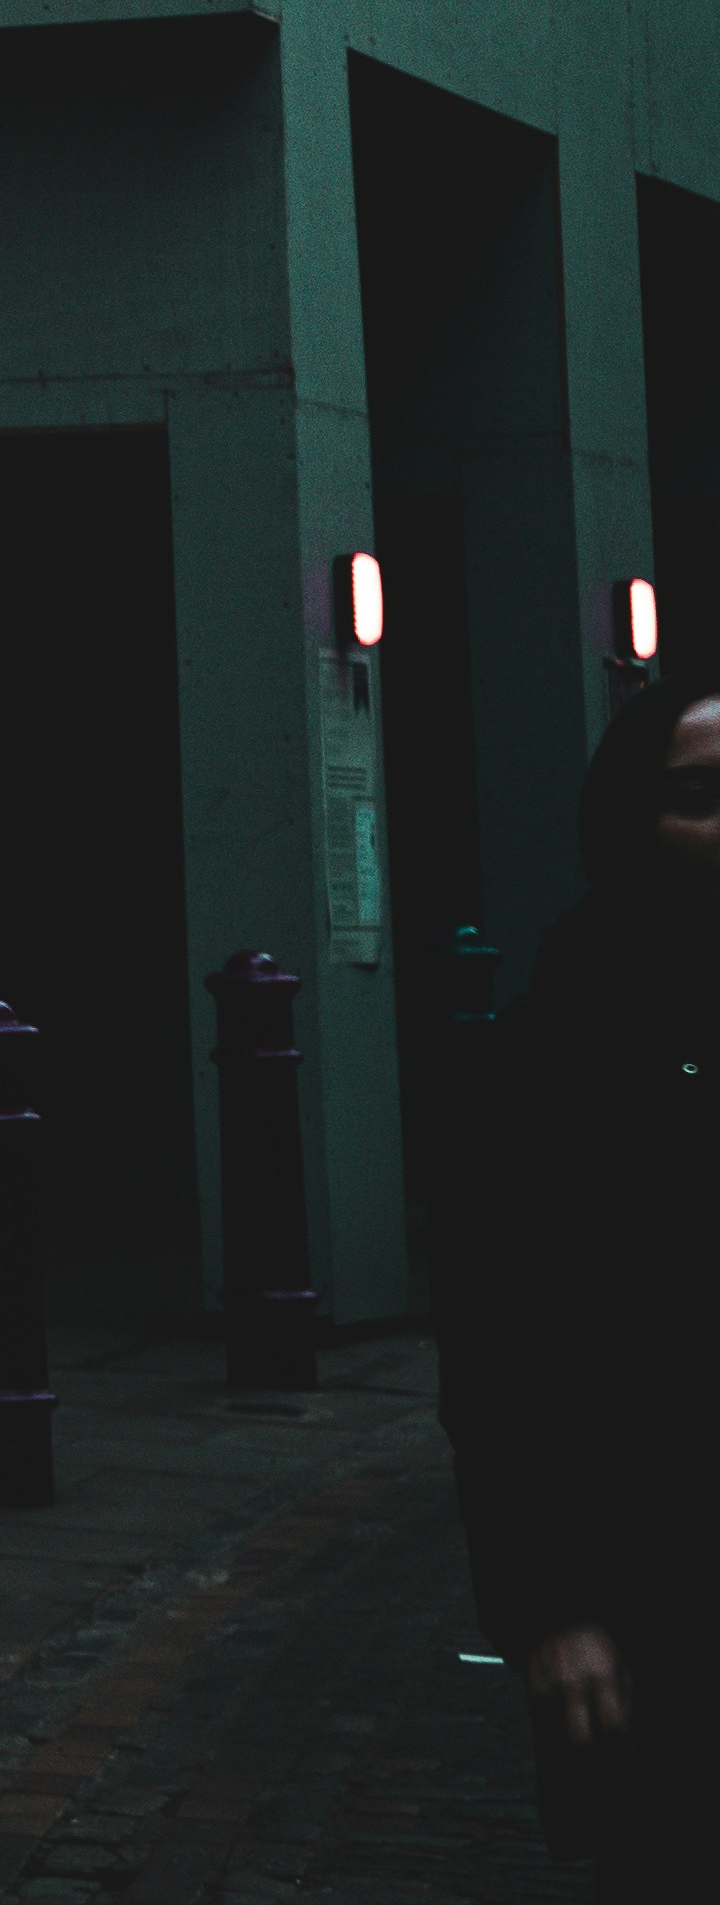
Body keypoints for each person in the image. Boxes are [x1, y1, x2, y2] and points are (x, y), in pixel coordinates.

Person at [442, 676, 720, 1896]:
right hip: (658, 1572)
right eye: (702, 797)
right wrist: (553, 1604)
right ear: (632, 818)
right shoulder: (555, 1047)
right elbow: (505, 1355)